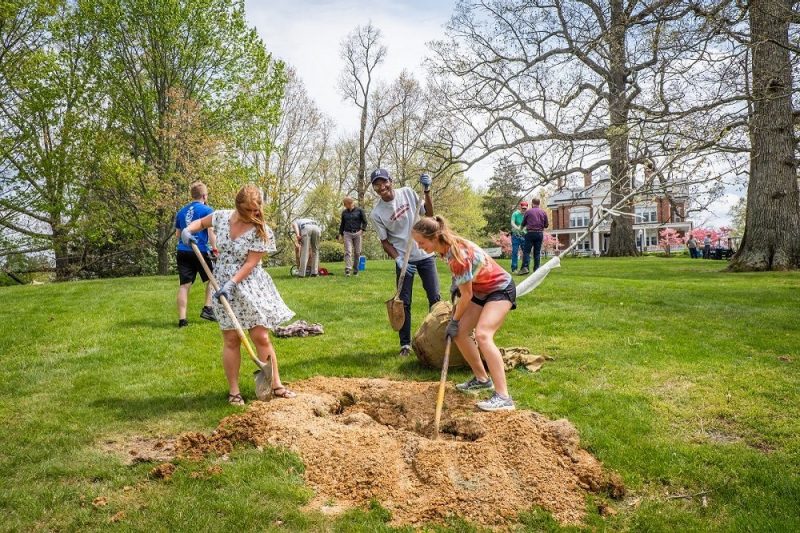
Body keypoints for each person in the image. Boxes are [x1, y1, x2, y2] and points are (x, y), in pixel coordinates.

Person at [181, 184, 296, 405]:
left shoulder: (261, 229)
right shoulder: (222, 217)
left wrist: (233, 283)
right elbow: (201, 223)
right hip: (222, 281)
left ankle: (276, 385)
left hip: (249, 284)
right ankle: (234, 391)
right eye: (247, 211)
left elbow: (252, 263)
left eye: (256, 210)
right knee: (231, 339)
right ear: (237, 206)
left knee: (260, 336)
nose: (252, 215)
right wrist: (189, 231)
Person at [412, 215, 516, 412]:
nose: (419, 246)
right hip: (480, 289)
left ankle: (504, 397)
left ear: (434, 237)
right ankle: (482, 380)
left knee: (483, 335)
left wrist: (454, 319)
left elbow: (466, 295)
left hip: (499, 289)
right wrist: (456, 286)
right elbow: (466, 284)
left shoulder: (457, 254)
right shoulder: (446, 247)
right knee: (460, 333)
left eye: (421, 242)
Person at [370, 168, 440, 357]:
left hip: (424, 254)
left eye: (384, 182)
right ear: (374, 188)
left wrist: (427, 191)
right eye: (377, 184)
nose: (381, 186)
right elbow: (384, 242)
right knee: (403, 303)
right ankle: (405, 345)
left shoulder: (408, 192)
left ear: (390, 181)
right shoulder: (377, 213)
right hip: (404, 258)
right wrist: (398, 259)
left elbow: (429, 215)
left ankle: (435, 338)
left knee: (435, 298)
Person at [174, 181, 217, 328]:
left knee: (184, 285)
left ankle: (182, 320)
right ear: (204, 195)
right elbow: (210, 232)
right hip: (200, 251)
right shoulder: (207, 210)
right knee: (213, 278)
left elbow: (178, 234)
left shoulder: (181, 212)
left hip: (182, 251)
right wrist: (215, 248)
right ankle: (207, 308)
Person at [338, 196, 368, 276]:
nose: (344, 206)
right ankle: (348, 269)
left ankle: (356, 269)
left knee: (357, 252)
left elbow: (365, 222)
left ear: (350, 203)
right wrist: (341, 234)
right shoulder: (344, 212)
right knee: (348, 251)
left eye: (345, 204)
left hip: (357, 233)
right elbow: (342, 224)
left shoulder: (360, 211)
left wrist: (362, 230)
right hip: (347, 233)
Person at [519, 198, 549, 275]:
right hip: (539, 234)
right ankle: (536, 269)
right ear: (539, 203)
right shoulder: (543, 212)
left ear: (532, 203)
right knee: (537, 252)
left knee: (527, 251)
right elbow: (546, 225)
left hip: (530, 233)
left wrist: (521, 230)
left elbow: (523, 224)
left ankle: (525, 268)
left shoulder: (528, 212)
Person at [509, 200, 528, 273]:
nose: (524, 210)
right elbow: (512, 223)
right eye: (523, 208)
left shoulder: (527, 215)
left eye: (525, 208)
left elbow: (528, 224)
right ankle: (514, 268)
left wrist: (524, 228)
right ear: (520, 207)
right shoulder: (515, 214)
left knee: (526, 252)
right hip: (515, 236)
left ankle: (525, 267)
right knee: (515, 252)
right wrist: (518, 228)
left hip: (524, 236)